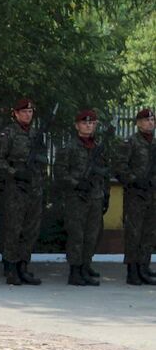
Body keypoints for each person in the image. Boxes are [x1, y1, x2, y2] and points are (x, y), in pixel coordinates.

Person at [0, 98, 44, 285]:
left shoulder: (35, 134)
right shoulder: (8, 133)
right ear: (16, 114)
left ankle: (23, 266)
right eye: (24, 112)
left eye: (30, 112)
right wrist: (14, 172)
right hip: (15, 188)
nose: (28, 115)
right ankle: (10, 267)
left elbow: (41, 159)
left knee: (30, 229)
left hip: (33, 187)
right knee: (13, 228)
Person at [53, 110, 109, 286]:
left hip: (95, 196)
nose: (88, 126)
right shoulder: (69, 147)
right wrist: (76, 183)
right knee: (77, 235)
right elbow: (59, 172)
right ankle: (75, 272)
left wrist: (105, 194)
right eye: (84, 123)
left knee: (92, 235)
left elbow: (104, 173)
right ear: (77, 126)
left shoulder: (98, 147)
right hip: (76, 197)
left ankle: (85, 267)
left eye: (91, 123)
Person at [115, 108, 155, 285]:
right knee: (134, 232)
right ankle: (132, 270)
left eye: (152, 120)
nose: (150, 123)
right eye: (146, 120)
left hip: (152, 193)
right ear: (138, 123)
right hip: (135, 194)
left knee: (149, 232)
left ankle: (144, 267)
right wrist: (135, 181)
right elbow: (119, 167)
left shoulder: (154, 143)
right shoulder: (130, 142)